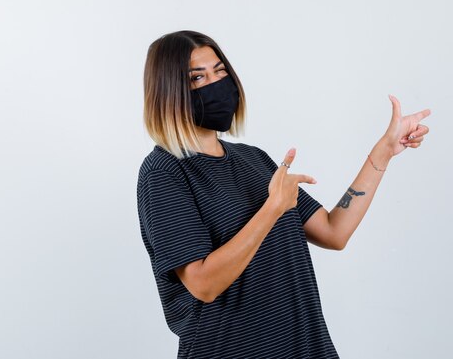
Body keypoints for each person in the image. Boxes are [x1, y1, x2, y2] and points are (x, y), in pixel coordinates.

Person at [136, 30, 431, 359]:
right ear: (169, 92)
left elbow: (335, 231)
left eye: (220, 71)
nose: (216, 83)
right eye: (197, 77)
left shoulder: (253, 159)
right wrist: (272, 209)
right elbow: (203, 284)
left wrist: (384, 152)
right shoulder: (163, 173)